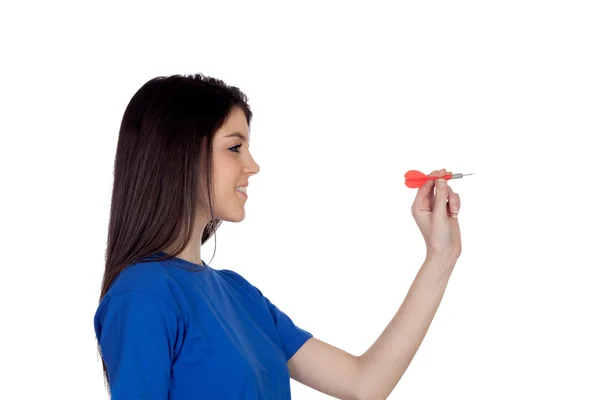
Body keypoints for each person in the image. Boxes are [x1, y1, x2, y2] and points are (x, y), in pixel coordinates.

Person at [93, 73, 463, 400]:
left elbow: (364, 384)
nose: (252, 166)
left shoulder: (239, 295)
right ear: (181, 153)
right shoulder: (143, 294)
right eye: (235, 147)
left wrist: (440, 256)